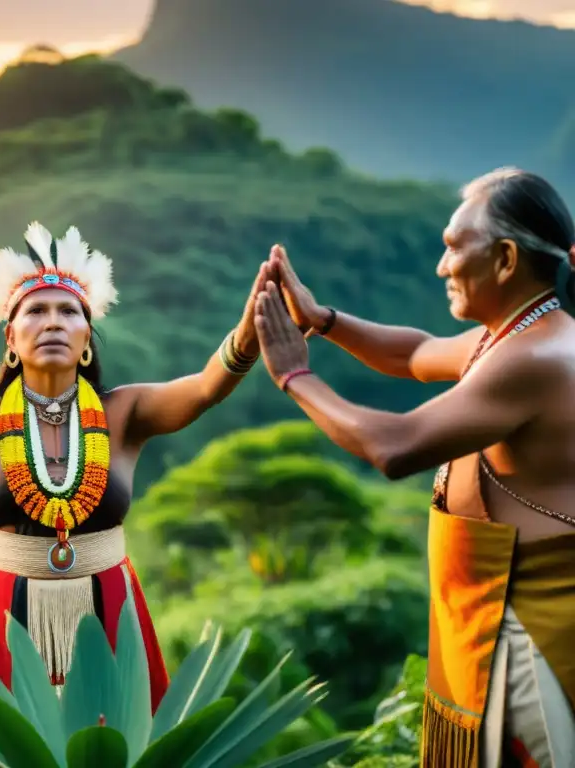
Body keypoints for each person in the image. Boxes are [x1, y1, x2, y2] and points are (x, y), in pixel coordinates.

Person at [252, 168, 575, 767]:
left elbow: (395, 446)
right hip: (502, 618)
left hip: (535, 633)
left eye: (454, 246)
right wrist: (322, 320)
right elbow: (415, 352)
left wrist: (295, 376)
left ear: (505, 258)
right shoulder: (511, 337)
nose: (440, 265)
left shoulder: (535, 356)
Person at [0, 222, 267, 711]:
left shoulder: (123, 412)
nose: (52, 322)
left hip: (107, 603)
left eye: (68, 311)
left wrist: (250, 331)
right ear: (11, 336)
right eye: (36, 311)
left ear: (86, 336)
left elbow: (203, 389)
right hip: (7, 608)